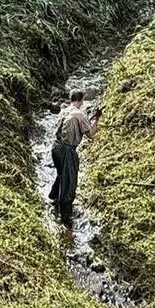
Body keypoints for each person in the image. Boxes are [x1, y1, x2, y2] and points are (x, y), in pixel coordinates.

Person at [49, 89, 100, 226]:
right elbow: (91, 134)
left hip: (55, 148)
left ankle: (53, 197)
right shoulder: (80, 114)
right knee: (69, 182)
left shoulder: (64, 111)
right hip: (67, 150)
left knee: (61, 174)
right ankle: (65, 215)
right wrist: (96, 120)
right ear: (80, 101)